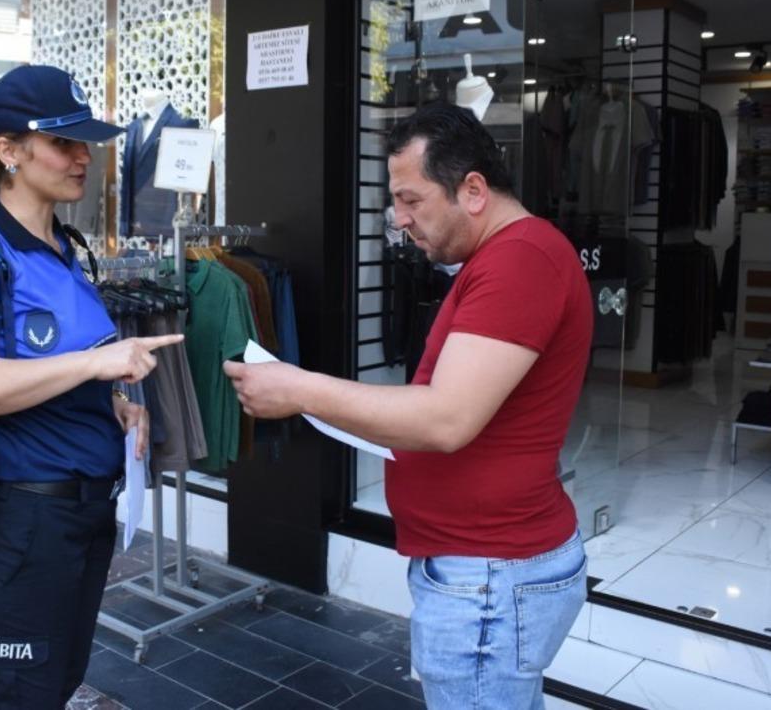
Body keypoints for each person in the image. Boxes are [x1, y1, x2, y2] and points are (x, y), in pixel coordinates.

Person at [224, 101, 594, 710]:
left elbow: (446, 418)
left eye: (411, 199)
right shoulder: (505, 257)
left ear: (473, 189)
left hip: (489, 577)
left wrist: (297, 388)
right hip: (485, 569)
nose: (399, 220)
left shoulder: (520, 260)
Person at [0, 64, 183, 708]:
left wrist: (116, 403)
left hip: (81, 514)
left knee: (56, 685)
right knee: (19, 695)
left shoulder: (65, 247)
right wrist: (97, 366)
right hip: (20, 521)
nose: (83, 157)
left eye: (85, 142)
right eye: (63, 143)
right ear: (8, 151)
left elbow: (56, 368)